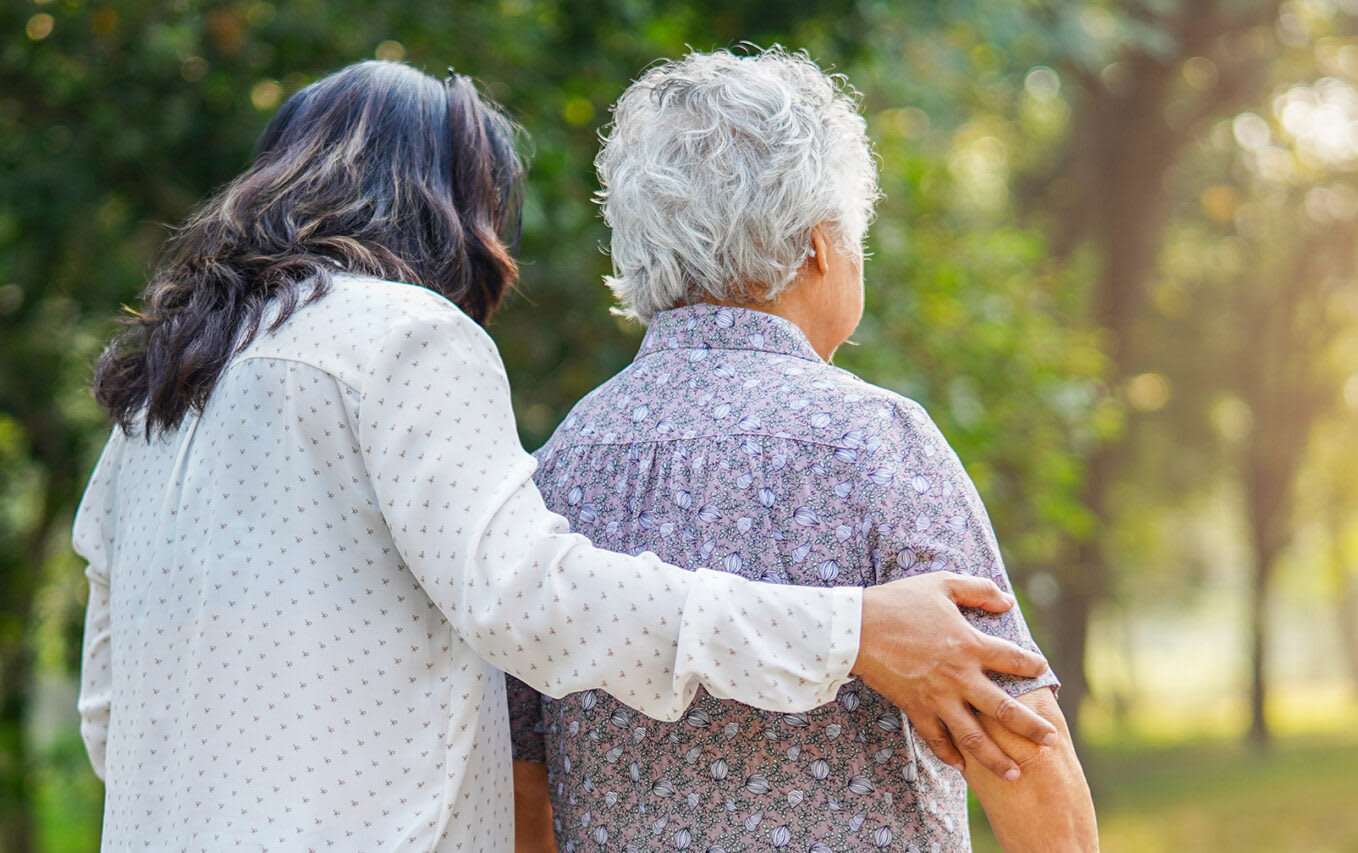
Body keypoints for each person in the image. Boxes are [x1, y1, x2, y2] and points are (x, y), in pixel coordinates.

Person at [70, 59, 1061, 850]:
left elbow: (113, 718)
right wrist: (846, 631)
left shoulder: (160, 394)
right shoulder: (407, 339)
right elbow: (532, 600)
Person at [507, 50, 1100, 852]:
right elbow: (1019, 741)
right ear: (821, 246)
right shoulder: (874, 442)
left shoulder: (558, 467)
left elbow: (524, 778)